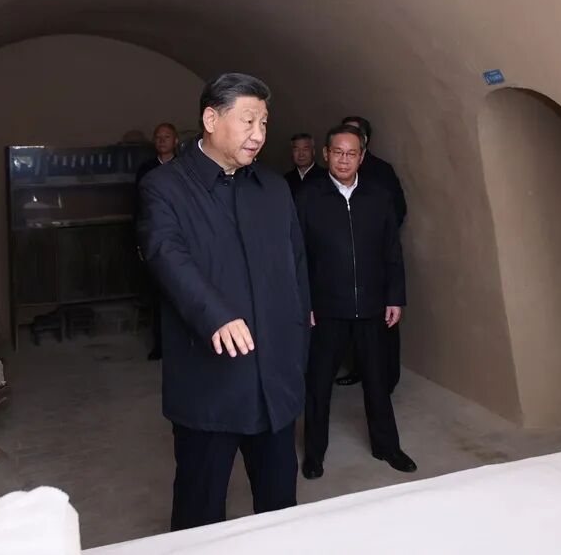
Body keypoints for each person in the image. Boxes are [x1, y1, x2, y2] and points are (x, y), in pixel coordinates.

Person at [136, 73, 311, 531]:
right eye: (248, 120)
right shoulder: (164, 186)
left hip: (274, 382)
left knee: (280, 510)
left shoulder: (273, 188)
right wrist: (215, 315)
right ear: (211, 120)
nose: (259, 134)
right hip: (209, 384)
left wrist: (297, 346)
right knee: (200, 512)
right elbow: (166, 254)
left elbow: (296, 267)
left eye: (264, 122)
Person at [296, 123, 416, 479]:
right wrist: (304, 302)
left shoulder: (379, 196)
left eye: (351, 153)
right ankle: (314, 453)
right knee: (318, 384)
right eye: (338, 152)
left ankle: (387, 446)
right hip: (326, 309)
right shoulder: (307, 198)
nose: (344, 160)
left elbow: (392, 251)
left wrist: (395, 296)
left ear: (362, 157)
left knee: (377, 381)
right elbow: (295, 256)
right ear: (326, 154)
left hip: (373, 306)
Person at [336, 115, 408, 390]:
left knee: (384, 327)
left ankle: (387, 379)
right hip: (346, 268)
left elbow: (396, 211)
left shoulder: (381, 171)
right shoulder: (332, 177)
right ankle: (359, 369)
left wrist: (370, 237)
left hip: (375, 264)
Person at [135, 123, 179, 360]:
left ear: (176, 141)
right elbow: (138, 208)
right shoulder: (146, 170)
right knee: (158, 296)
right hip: (155, 238)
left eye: (167, 136)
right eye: (158, 137)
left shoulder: (185, 168)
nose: (162, 140)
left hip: (181, 239)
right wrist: (140, 242)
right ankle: (160, 345)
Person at [284, 133, 327, 199]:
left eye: (305, 149)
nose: (301, 154)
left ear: (313, 151)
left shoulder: (326, 176)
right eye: (296, 150)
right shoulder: (286, 180)